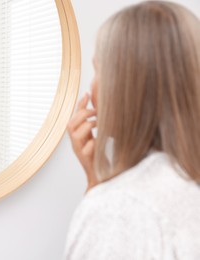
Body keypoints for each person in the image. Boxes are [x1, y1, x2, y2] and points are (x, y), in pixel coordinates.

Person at [65, 1, 200, 259]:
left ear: (124, 87)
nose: (91, 86)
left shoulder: (118, 210)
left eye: (98, 70)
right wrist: (97, 181)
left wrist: (103, 194)